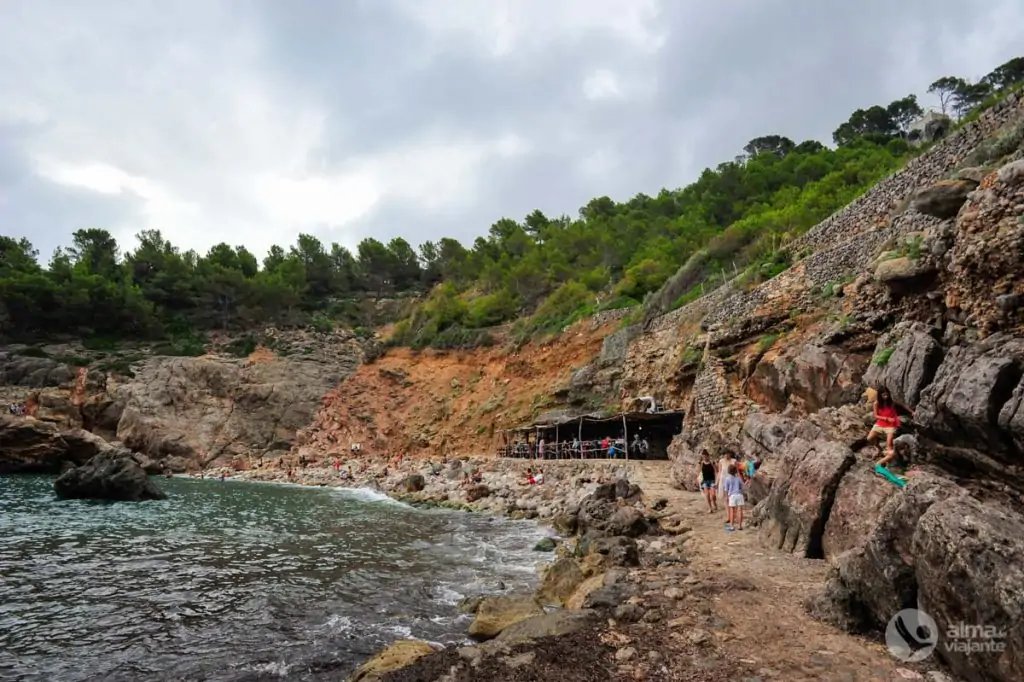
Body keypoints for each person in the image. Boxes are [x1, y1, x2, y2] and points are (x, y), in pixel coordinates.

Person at [867, 387, 910, 454]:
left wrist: (912, 412)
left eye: (887, 394)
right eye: (884, 395)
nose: (886, 396)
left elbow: (902, 405)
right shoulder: (876, 403)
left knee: (889, 444)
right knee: (869, 438)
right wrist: (886, 418)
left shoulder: (891, 402)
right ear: (880, 395)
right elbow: (875, 415)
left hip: (890, 425)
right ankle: (878, 447)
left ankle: (890, 456)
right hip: (880, 423)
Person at [723, 464, 745, 531]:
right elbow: (742, 486)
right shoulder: (738, 478)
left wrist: (726, 497)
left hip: (732, 496)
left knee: (732, 511)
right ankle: (740, 525)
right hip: (739, 495)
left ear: (728, 471)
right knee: (740, 510)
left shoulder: (727, 479)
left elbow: (726, 489)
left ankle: (732, 526)